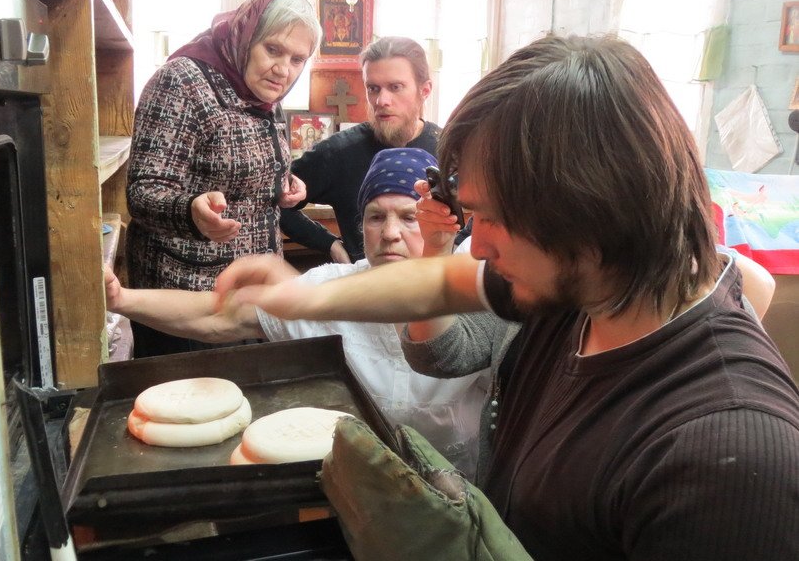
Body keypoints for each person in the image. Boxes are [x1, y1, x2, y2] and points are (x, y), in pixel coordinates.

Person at [216, 34, 799, 560]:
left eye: (492, 217)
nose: (479, 243)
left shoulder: (728, 456)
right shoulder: (581, 285)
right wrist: (303, 299)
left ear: (588, 210)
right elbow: (438, 282)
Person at [107, 148, 512, 478]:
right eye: (375, 217)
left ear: (443, 222)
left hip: (459, 495)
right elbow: (221, 317)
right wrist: (122, 299)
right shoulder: (333, 287)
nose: (390, 233)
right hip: (357, 490)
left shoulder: (479, 291)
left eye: (409, 217)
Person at [124, 0, 321, 357]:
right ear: (245, 36)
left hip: (252, 295)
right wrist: (191, 211)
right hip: (186, 299)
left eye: (297, 59)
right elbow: (143, 191)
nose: (283, 70)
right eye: (273, 50)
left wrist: (284, 186)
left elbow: (245, 170)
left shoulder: (264, 93)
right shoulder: (182, 82)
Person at [280, 36, 439, 264]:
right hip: (363, 282)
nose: (381, 100)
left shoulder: (450, 149)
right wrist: (329, 244)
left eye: (395, 87)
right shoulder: (338, 152)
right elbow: (275, 202)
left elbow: (480, 218)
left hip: (436, 283)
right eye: (373, 88)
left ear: (424, 90)